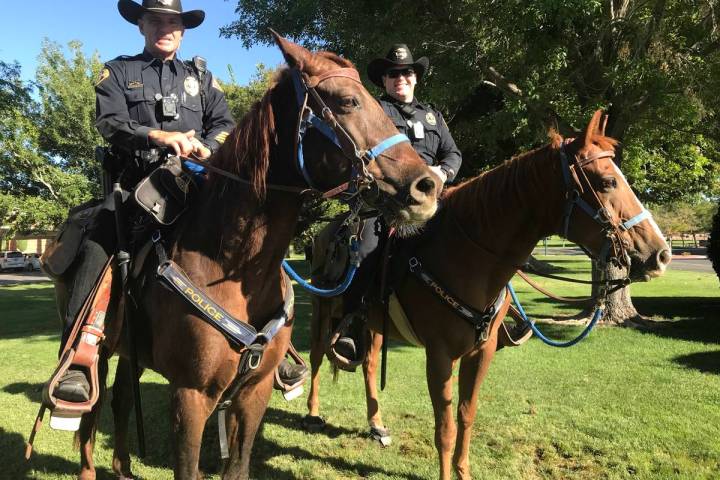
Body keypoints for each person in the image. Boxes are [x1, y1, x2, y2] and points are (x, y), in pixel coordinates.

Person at [54, 0, 306, 402]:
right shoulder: (119, 71)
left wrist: (205, 147)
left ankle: (277, 343)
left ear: (183, 31)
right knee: (99, 241)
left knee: (255, 233)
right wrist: (158, 136)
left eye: (172, 22)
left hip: (195, 186)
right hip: (135, 186)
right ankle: (79, 355)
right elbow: (109, 123)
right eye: (155, 20)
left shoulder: (202, 79)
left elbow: (225, 124)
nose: (164, 28)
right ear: (141, 26)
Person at [333, 44, 462, 361]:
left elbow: (453, 154)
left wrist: (442, 172)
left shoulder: (433, 115)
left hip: (435, 201)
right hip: (387, 206)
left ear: (416, 77)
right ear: (384, 80)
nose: (400, 77)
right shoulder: (375, 112)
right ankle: (353, 322)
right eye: (393, 73)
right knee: (364, 247)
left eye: (406, 72)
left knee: (479, 230)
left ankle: (501, 311)